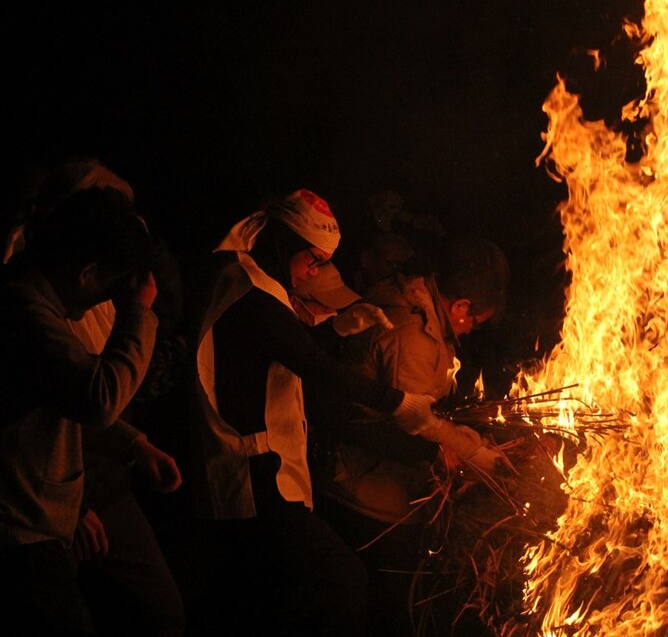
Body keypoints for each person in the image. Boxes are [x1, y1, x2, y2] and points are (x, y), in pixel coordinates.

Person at [185, 189, 493, 636]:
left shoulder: (260, 285)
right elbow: (311, 366)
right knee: (340, 580)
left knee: (279, 591)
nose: (315, 271)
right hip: (251, 471)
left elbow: (292, 353)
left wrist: (335, 327)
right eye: (311, 258)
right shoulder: (249, 291)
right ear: (283, 243)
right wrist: (399, 404)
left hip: (269, 469)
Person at [3, 158, 187, 636]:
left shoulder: (41, 300)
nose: (107, 299)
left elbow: (61, 399)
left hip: (46, 513)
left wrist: (133, 444)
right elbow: (97, 397)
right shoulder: (24, 308)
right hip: (23, 526)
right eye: (108, 284)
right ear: (87, 272)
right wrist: (137, 311)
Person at [309, 236, 509, 635]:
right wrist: (481, 457)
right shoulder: (412, 333)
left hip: (376, 486)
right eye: (475, 322)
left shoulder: (419, 307)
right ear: (461, 306)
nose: (469, 332)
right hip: (369, 496)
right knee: (387, 610)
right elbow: (417, 425)